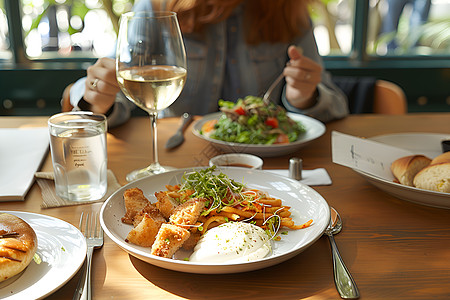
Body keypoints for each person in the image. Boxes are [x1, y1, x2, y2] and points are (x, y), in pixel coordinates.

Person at [65, 0, 348, 128]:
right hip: (178, 161)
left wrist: (305, 97)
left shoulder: (289, 9)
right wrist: (95, 97)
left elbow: (333, 101)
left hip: (268, 164)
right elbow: (113, 94)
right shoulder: (156, 7)